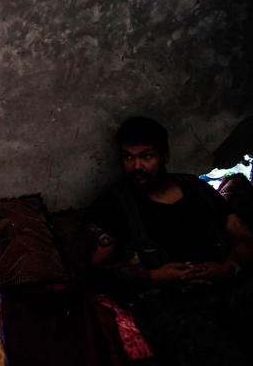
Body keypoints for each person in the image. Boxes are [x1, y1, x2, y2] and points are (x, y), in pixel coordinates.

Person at [87, 116, 253, 364]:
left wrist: (227, 268)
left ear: (165, 155)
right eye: (128, 157)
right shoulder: (113, 205)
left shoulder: (197, 189)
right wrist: (153, 276)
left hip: (227, 289)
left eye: (146, 156)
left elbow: (243, 238)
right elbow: (95, 269)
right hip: (172, 306)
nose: (136, 166)